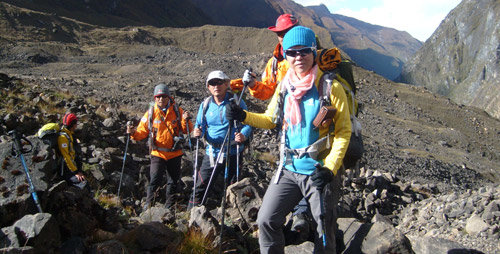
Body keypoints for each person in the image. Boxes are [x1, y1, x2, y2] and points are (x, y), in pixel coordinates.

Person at [226, 26, 351, 253]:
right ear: (285, 55)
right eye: (291, 53)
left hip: (319, 170)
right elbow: (271, 119)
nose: (298, 57)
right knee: (266, 219)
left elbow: (343, 132)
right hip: (289, 168)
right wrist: (244, 116)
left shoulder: (330, 87)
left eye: (304, 51)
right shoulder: (285, 86)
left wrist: (330, 168)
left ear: (313, 52)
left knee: (324, 229)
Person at [188, 70, 252, 208]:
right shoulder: (205, 104)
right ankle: (191, 216)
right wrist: (198, 131)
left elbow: (248, 123)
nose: (216, 86)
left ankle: (234, 216)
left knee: (233, 187)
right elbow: (201, 124)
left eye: (219, 82)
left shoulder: (237, 102)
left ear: (226, 84)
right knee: (201, 185)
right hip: (212, 152)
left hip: (233, 152)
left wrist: (243, 135)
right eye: (212, 83)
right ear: (208, 87)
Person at [127, 83, 193, 209]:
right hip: (158, 153)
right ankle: (149, 204)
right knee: (155, 180)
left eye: (163, 96)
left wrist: (186, 120)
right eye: (158, 97)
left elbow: (187, 130)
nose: (161, 99)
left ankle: (169, 206)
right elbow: (142, 131)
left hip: (174, 153)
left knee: (173, 181)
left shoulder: (177, 111)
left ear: (168, 97)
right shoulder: (151, 113)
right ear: (154, 98)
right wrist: (133, 134)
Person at [230, 13, 298, 100]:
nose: (285, 37)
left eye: (289, 32)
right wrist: (253, 85)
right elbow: (268, 91)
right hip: (286, 110)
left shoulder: (314, 56)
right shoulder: (274, 63)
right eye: (280, 33)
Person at [58, 112, 87, 189]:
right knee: (83, 183)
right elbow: (66, 156)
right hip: (66, 169)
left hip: (72, 166)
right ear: (72, 124)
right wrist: (75, 172)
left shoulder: (70, 134)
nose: (76, 125)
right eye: (76, 123)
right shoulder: (63, 138)